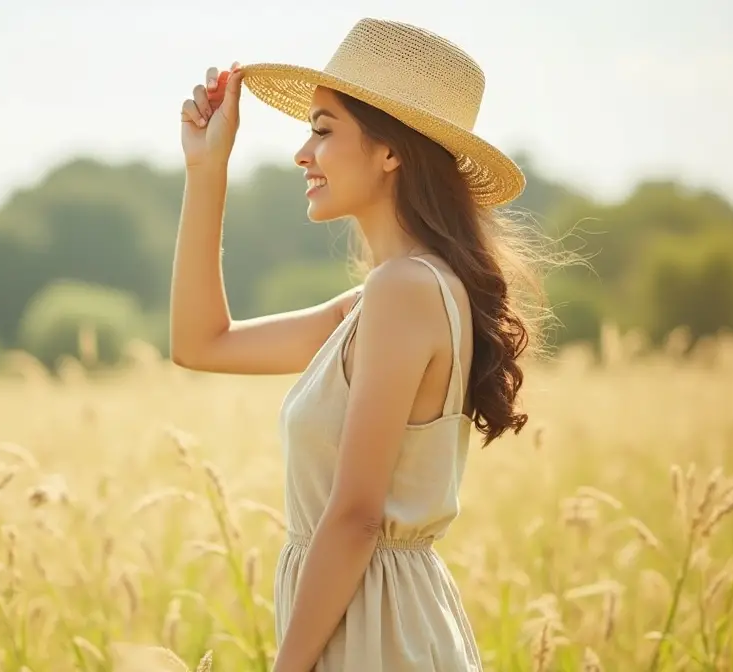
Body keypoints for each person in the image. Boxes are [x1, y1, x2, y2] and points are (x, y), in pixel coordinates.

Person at [170, 17, 548, 672]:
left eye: (322, 130)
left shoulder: (405, 290)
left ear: (391, 151)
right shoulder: (387, 298)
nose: (301, 153)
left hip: (375, 632)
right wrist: (207, 168)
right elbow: (201, 343)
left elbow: (355, 515)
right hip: (373, 620)